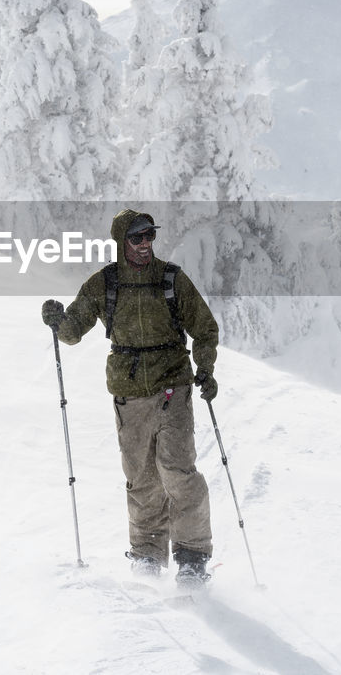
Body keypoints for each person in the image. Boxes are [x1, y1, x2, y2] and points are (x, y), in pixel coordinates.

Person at [42, 208, 220, 586]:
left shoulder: (171, 278)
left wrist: (205, 369)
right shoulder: (105, 284)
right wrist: (58, 321)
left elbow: (204, 328)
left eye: (149, 236)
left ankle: (191, 557)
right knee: (141, 478)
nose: (145, 244)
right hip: (129, 393)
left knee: (177, 470)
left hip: (173, 383)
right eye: (137, 238)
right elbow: (74, 332)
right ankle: (147, 558)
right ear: (122, 241)